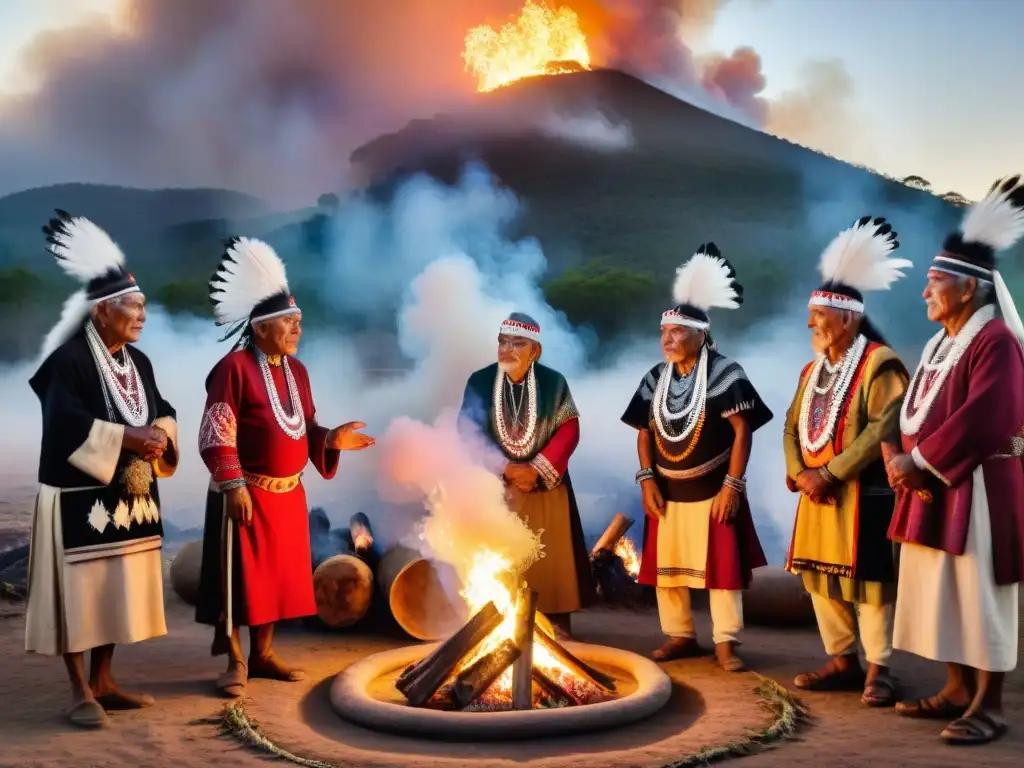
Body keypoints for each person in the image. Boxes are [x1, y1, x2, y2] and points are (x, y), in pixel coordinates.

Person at [194, 237, 375, 697]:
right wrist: (233, 484)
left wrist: (330, 439)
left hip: (289, 494)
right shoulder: (232, 369)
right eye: (288, 322)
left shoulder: (298, 372)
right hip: (247, 492)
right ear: (260, 328)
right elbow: (217, 432)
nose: (297, 329)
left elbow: (305, 425)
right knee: (241, 579)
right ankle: (235, 661)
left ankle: (264, 655)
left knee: (277, 580)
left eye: (299, 322)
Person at [25, 211, 179, 728]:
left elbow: (161, 408)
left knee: (113, 590)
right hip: (77, 498)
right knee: (81, 594)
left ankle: (106, 681)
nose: (141, 315)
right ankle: (78, 690)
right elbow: (63, 423)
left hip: (126, 498)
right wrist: (128, 438)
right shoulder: (66, 363)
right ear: (100, 313)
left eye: (142, 306)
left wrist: (160, 433)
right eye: (131, 307)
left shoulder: (138, 362)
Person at [887, 176, 1024, 745]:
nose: (924, 292)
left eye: (934, 280)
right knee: (944, 588)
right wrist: (897, 452)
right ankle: (954, 689)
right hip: (942, 481)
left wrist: (919, 463)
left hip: (984, 486)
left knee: (980, 593)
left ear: (968, 289)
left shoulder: (995, 340)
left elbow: (989, 414)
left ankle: (989, 704)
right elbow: (915, 409)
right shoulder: (945, 341)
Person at [620, 244, 771, 671]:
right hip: (666, 489)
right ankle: (680, 635)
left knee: (722, 572)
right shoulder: (655, 378)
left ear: (701, 335)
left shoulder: (726, 373)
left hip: (714, 488)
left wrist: (732, 485)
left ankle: (726, 642)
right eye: (664, 333)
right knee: (668, 569)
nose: (667, 339)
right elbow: (644, 431)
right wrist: (647, 479)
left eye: (677, 332)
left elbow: (743, 432)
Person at [782, 216, 912, 706]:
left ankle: (880, 669)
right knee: (821, 580)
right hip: (816, 494)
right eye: (811, 314)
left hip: (863, 494)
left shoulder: (882, 363)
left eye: (818, 314)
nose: (810, 323)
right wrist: (800, 472)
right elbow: (793, 426)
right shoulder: (811, 369)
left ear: (848, 319)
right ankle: (841, 660)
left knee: (871, 583)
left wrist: (830, 473)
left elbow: (885, 425)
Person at [458, 312, 595, 638]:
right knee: (501, 560)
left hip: (546, 485)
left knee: (551, 559)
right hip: (497, 489)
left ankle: (556, 626)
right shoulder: (480, 381)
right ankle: (500, 624)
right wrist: (503, 468)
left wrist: (537, 469)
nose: (507, 348)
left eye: (517, 342)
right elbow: (467, 430)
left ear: (536, 350)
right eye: (502, 341)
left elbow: (569, 429)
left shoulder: (554, 382)